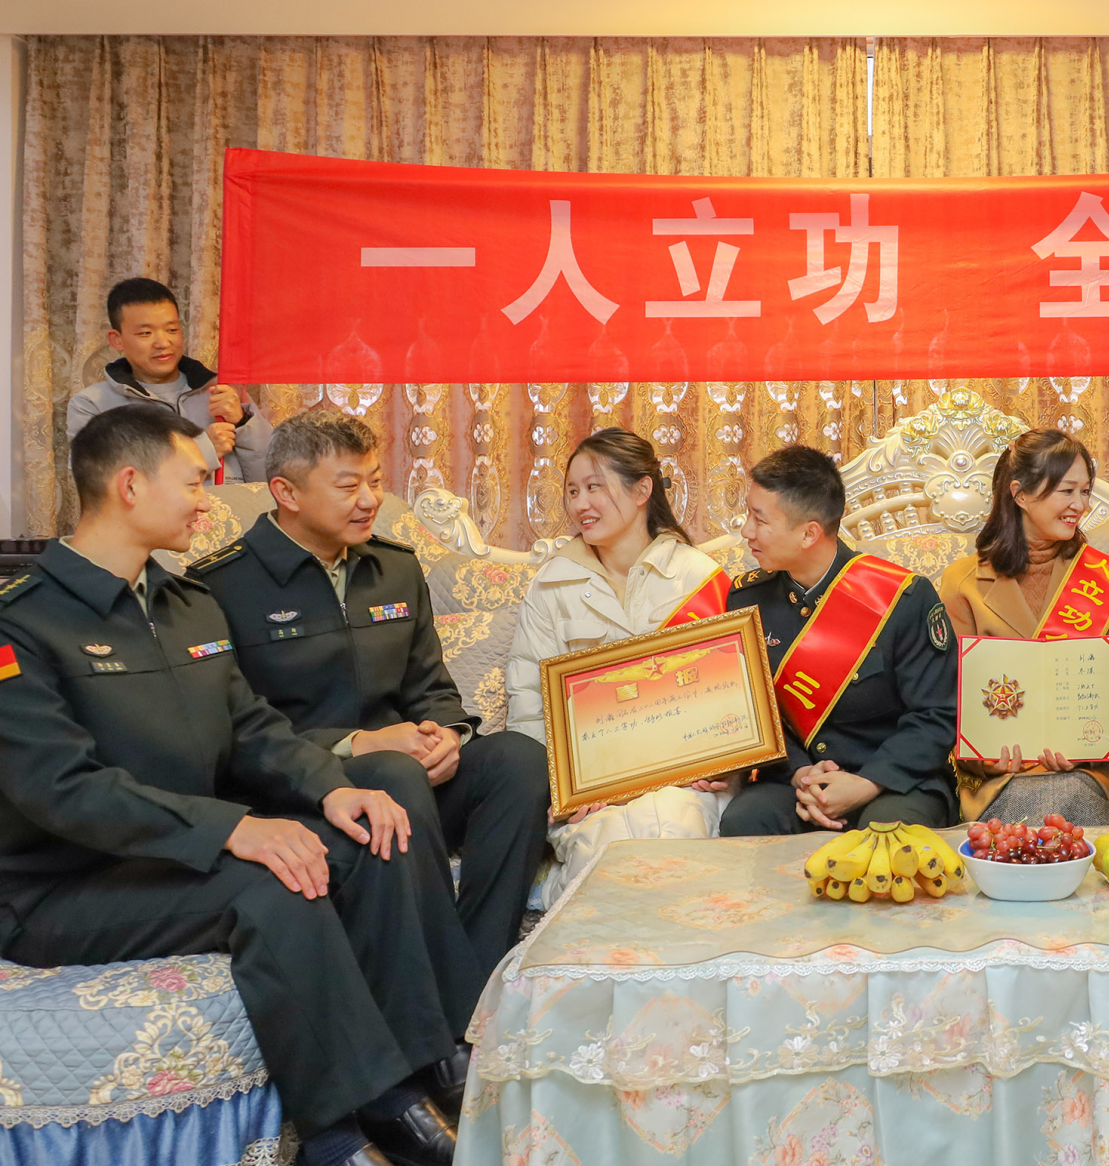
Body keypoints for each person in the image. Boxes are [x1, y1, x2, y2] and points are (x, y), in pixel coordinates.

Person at [0, 407, 475, 1166]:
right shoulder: (23, 624)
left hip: (175, 858)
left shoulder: (186, 605)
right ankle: (342, 1134)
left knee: (369, 839)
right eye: (193, 482)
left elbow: (251, 727)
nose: (207, 501)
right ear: (130, 485)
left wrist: (331, 789)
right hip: (63, 886)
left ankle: (419, 1072)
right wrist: (233, 829)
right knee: (273, 886)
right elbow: (61, 788)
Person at [189, 412, 548, 1009]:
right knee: (392, 772)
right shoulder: (220, 586)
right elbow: (233, 730)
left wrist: (446, 733)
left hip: (408, 780)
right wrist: (359, 744)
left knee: (518, 759)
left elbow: (431, 686)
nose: (369, 500)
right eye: (348, 485)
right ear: (286, 492)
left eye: (375, 481)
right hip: (304, 790)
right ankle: (453, 1005)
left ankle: (476, 982)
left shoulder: (396, 567)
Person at [505, 429, 730, 904]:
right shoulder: (550, 587)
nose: (580, 504)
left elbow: (731, 695)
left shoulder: (698, 577)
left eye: (594, 487)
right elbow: (528, 708)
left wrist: (722, 765)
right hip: (593, 793)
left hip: (685, 781)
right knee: (605, 851)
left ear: (642, 489)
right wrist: (566, 790)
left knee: (677, 832)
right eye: (572, 491)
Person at [719, 445, 959, 836]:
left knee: (887, 832)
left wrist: (868, 782)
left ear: (809, 533)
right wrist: (801, 773)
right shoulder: (747, 599)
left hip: (894, 779)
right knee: (745, 820)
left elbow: (937, 714)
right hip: (799, 778)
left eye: (759, 520)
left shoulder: (903, 598)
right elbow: (754, 711)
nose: (746, 531)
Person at [937, 430, 1109, 825]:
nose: (1080, 505)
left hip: (1089, 772)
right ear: (1020, 494)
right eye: (1067, 491)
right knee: (1031, 807)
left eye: (1085, 492)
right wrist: (986, 760)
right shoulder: (963, 582)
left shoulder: (1103, 580)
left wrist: (1086, 749)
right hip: (1003, 778)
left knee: (1068, 795)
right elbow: (947, 698)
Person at [66, 277, 271, 484]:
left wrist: (242, 422)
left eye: (172, 330)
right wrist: (202, 452)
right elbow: (101, 485)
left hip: (229, 506)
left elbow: (269, 478)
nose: (163, 343)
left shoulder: (222, 391)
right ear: (116, 339)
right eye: (145, 333)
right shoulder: (92, 405)